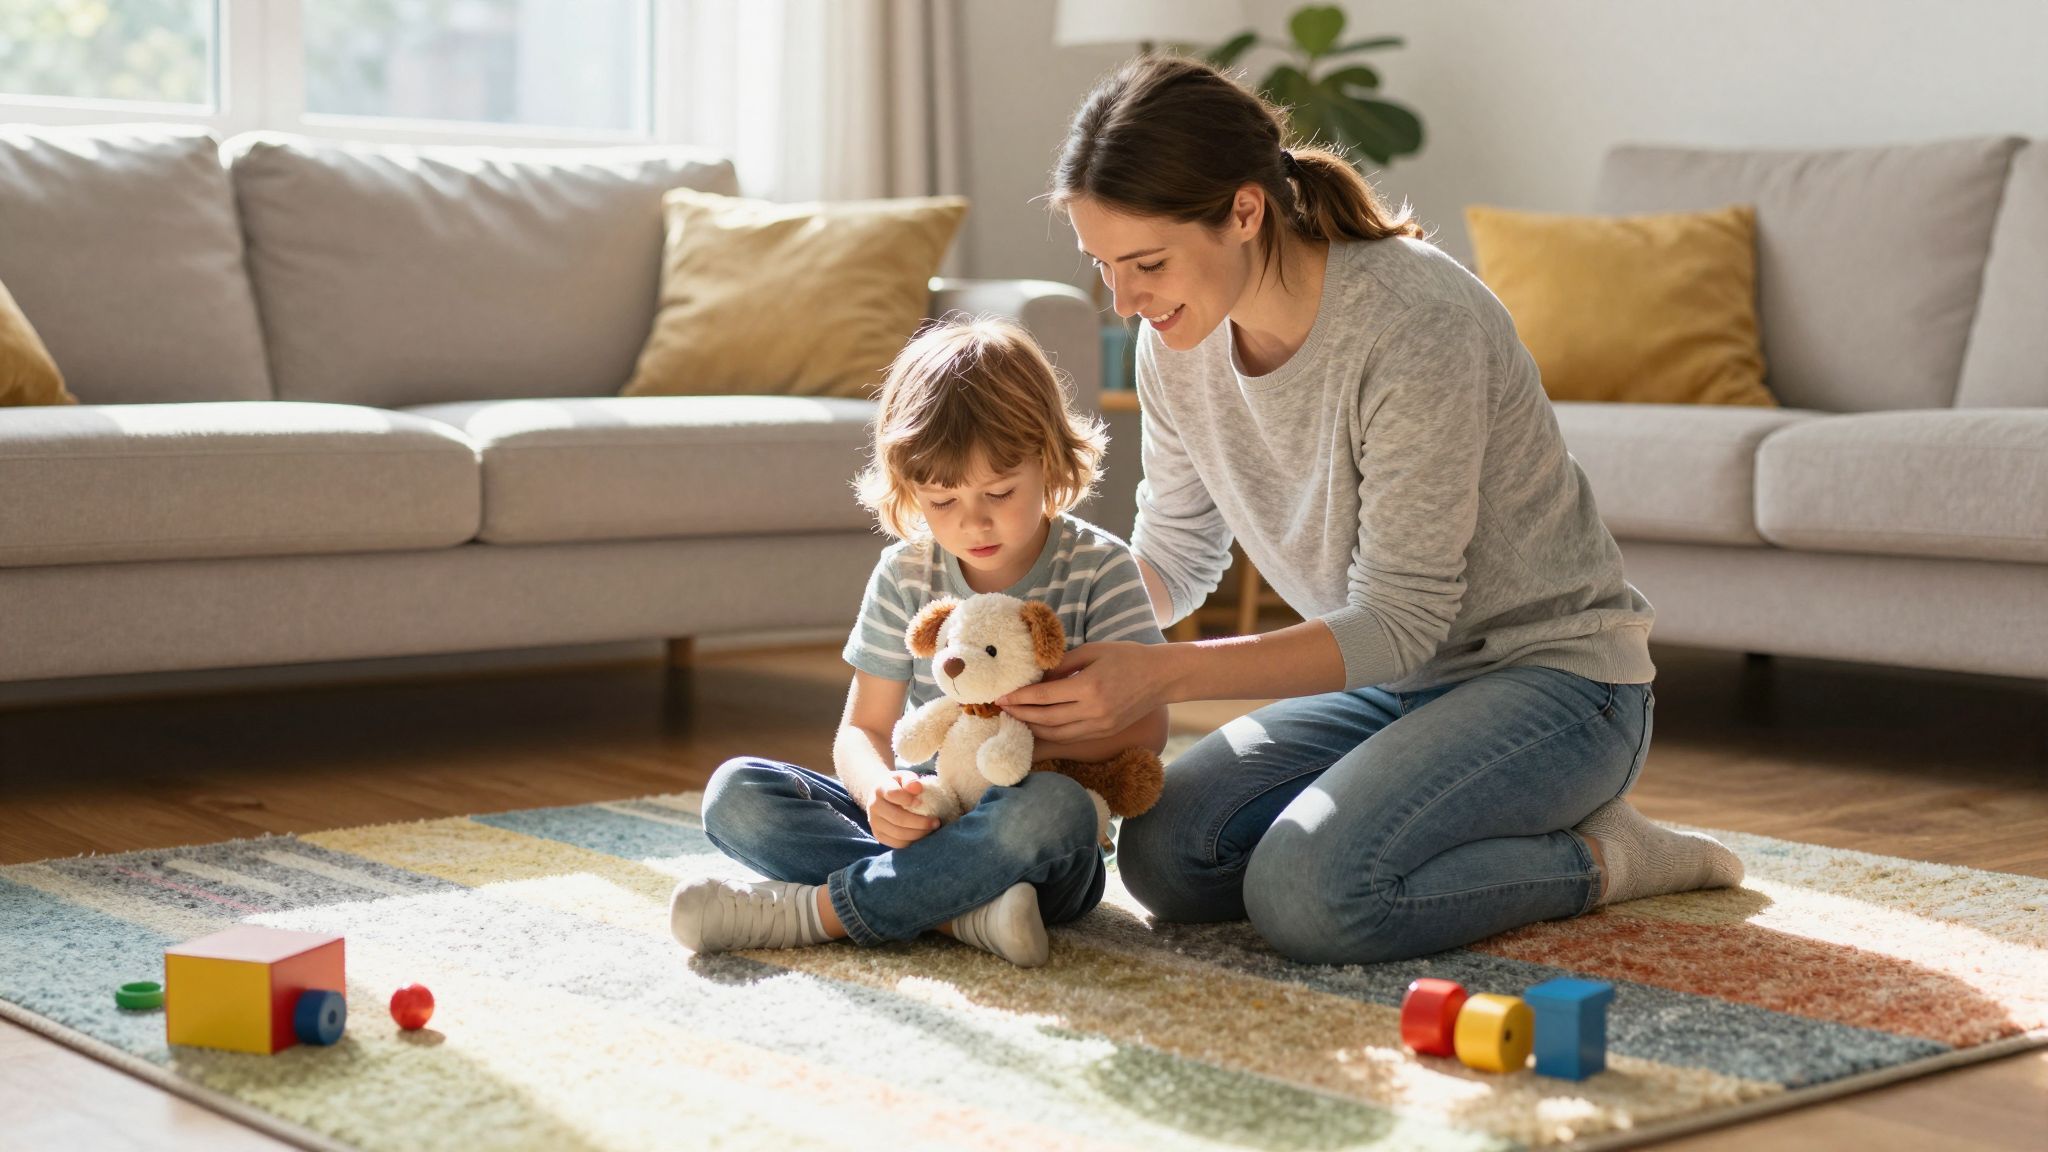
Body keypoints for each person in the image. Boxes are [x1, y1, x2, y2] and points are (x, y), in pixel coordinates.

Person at [993, 55, 1742, 966]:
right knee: (1165, 856)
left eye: (1146, 263)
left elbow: (1400, 617)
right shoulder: (1173, 344)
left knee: (1312, 895)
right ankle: (1443, 817)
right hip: (1388, 688)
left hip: (1559, 684)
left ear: (1243, 210)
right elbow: (1179, 554)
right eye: (1104, 266)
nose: (1125, 300)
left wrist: (1162, 677)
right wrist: (1035, 637)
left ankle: (1607, 855)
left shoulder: (1413, 317)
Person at [669, 317, 1168, 968]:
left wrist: (1022, 744)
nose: (974, 520)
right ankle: (960, 912)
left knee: (1055, 811)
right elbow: (862, 729)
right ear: (910, 490)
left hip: (1033, 836)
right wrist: (880, 792)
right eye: (942, 500)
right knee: (736, 793)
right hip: (929, 810)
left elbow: (1149, 727)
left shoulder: (1102, 569)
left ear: (1047, 459)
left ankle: (819, 913)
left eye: (998, 492)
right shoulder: (907, 573)